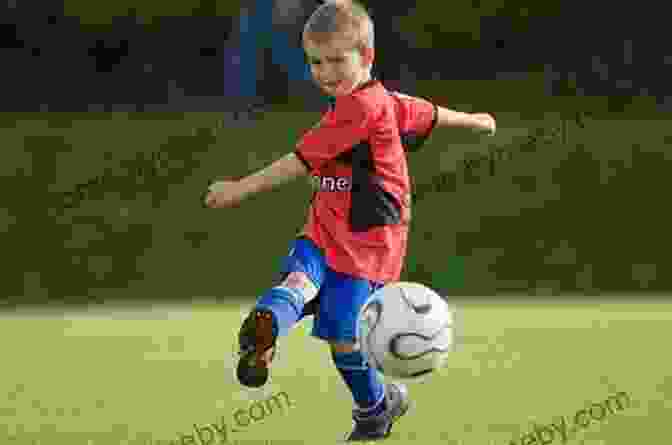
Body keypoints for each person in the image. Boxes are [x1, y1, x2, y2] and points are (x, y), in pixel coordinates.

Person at [205, 1, 495, 441]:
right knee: (297, 281)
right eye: (316, 63)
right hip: (324, 230)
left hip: (368, 245)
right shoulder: (383, 102)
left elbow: (298, 162)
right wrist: (475, 121)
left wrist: (237, 189)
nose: (325, 72)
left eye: (337, 60)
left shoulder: (357, 110)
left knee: (345, 337)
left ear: (367, 57)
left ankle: (375, 408)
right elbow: (427, 113)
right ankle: (263, 333)